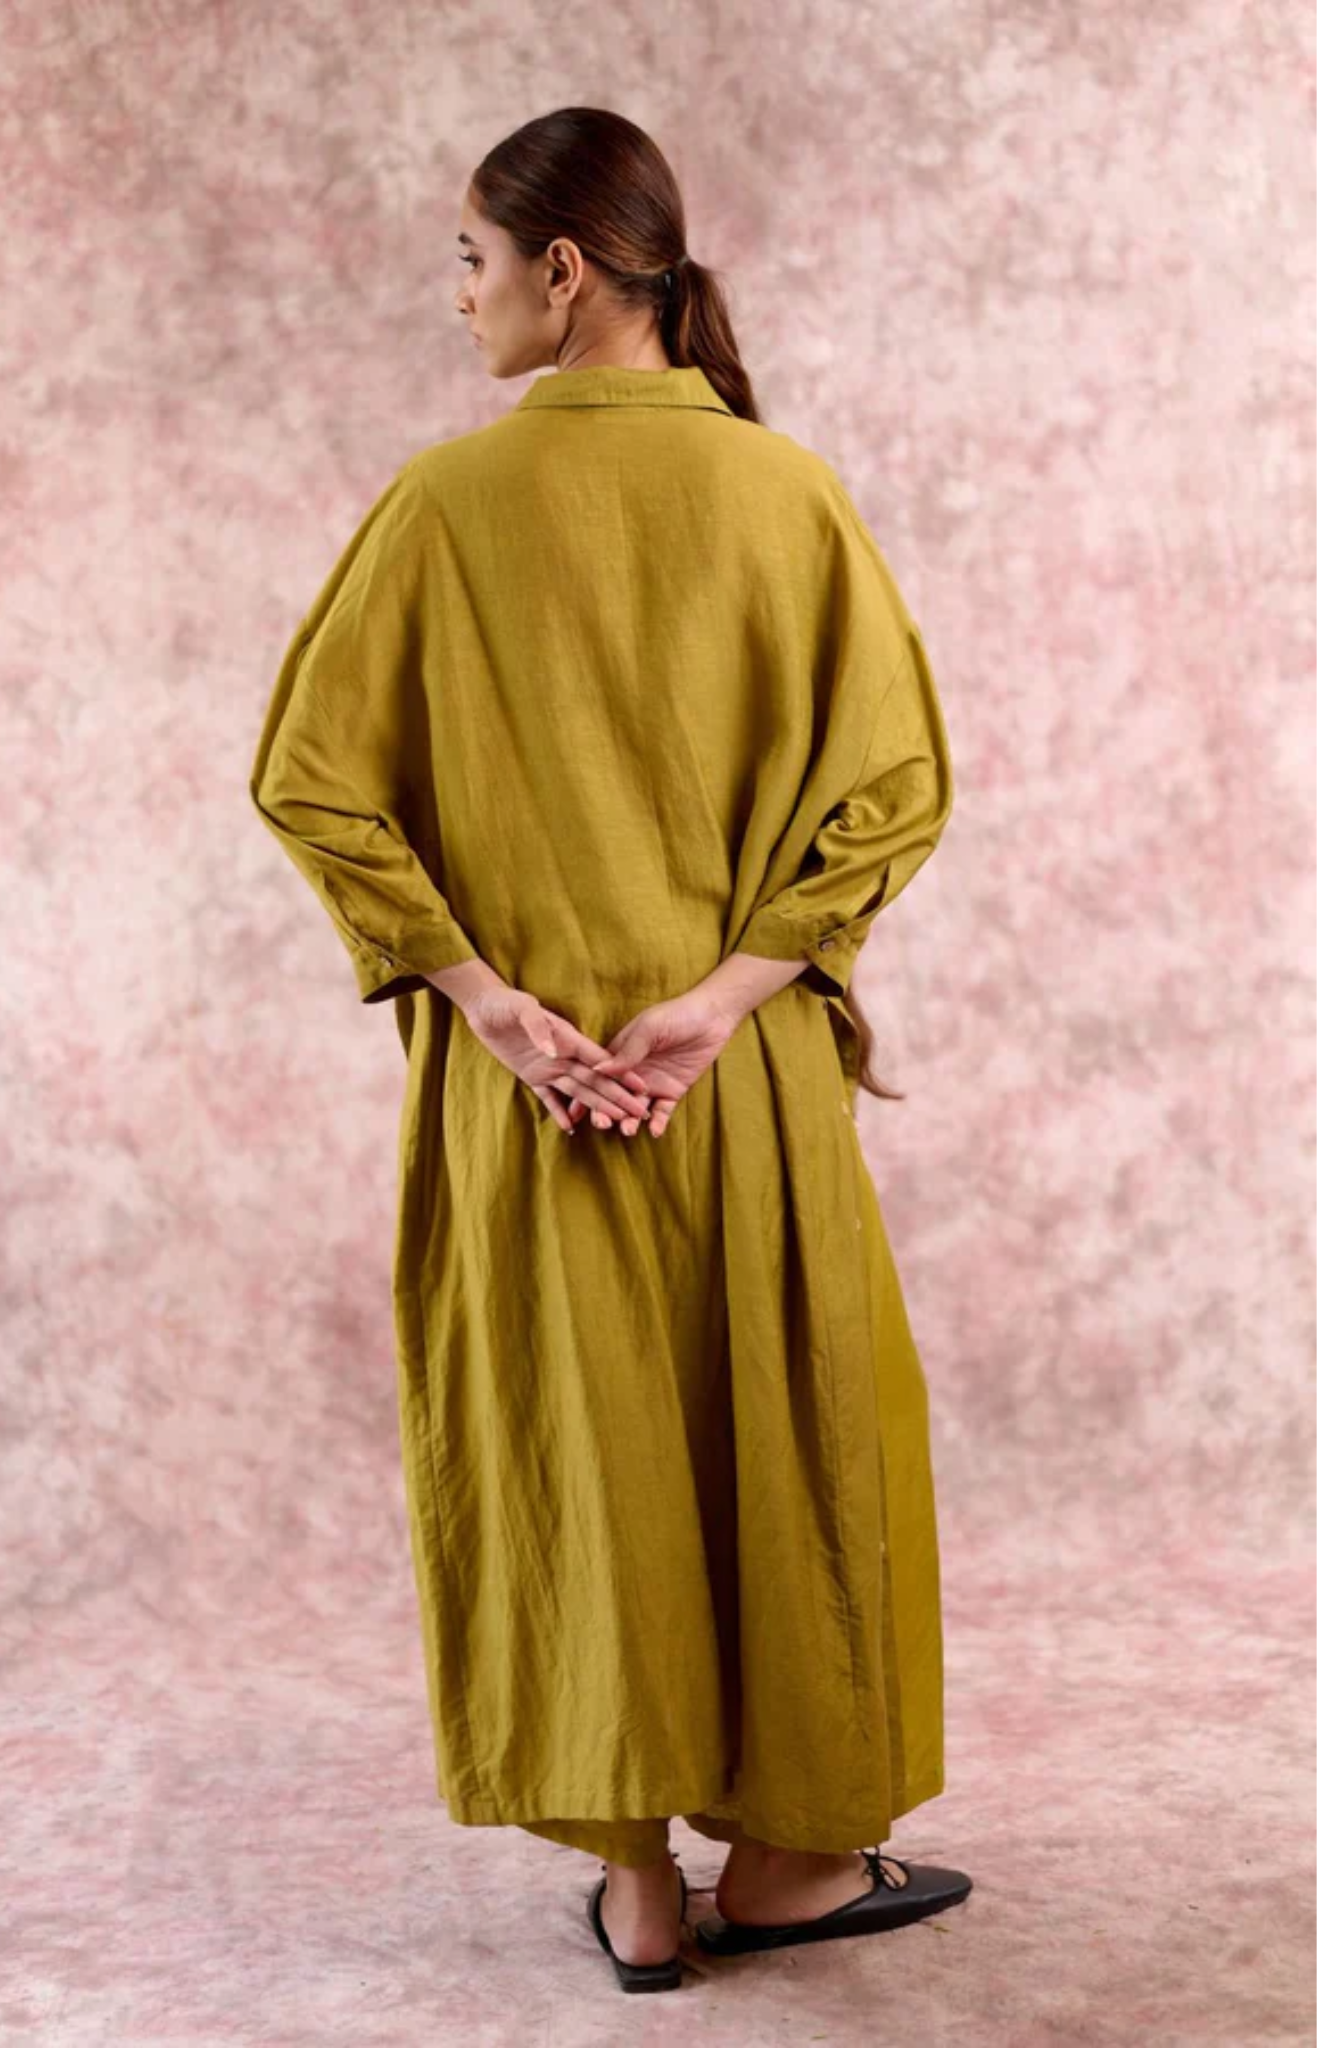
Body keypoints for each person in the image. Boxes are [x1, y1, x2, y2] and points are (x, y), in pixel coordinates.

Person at [249, 105, 972, 1994]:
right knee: (785, 1448)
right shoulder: (784, 494)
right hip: (738, 1090)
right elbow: (895, 786)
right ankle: (790, 1869)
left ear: (562, 269)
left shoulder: (440, 507)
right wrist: (722, 1000)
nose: (460, 297)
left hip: (533, 1100)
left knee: (577, 1463)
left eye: (471, 261)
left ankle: (636, 1886)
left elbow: (311, 783)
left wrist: (488, 1002)